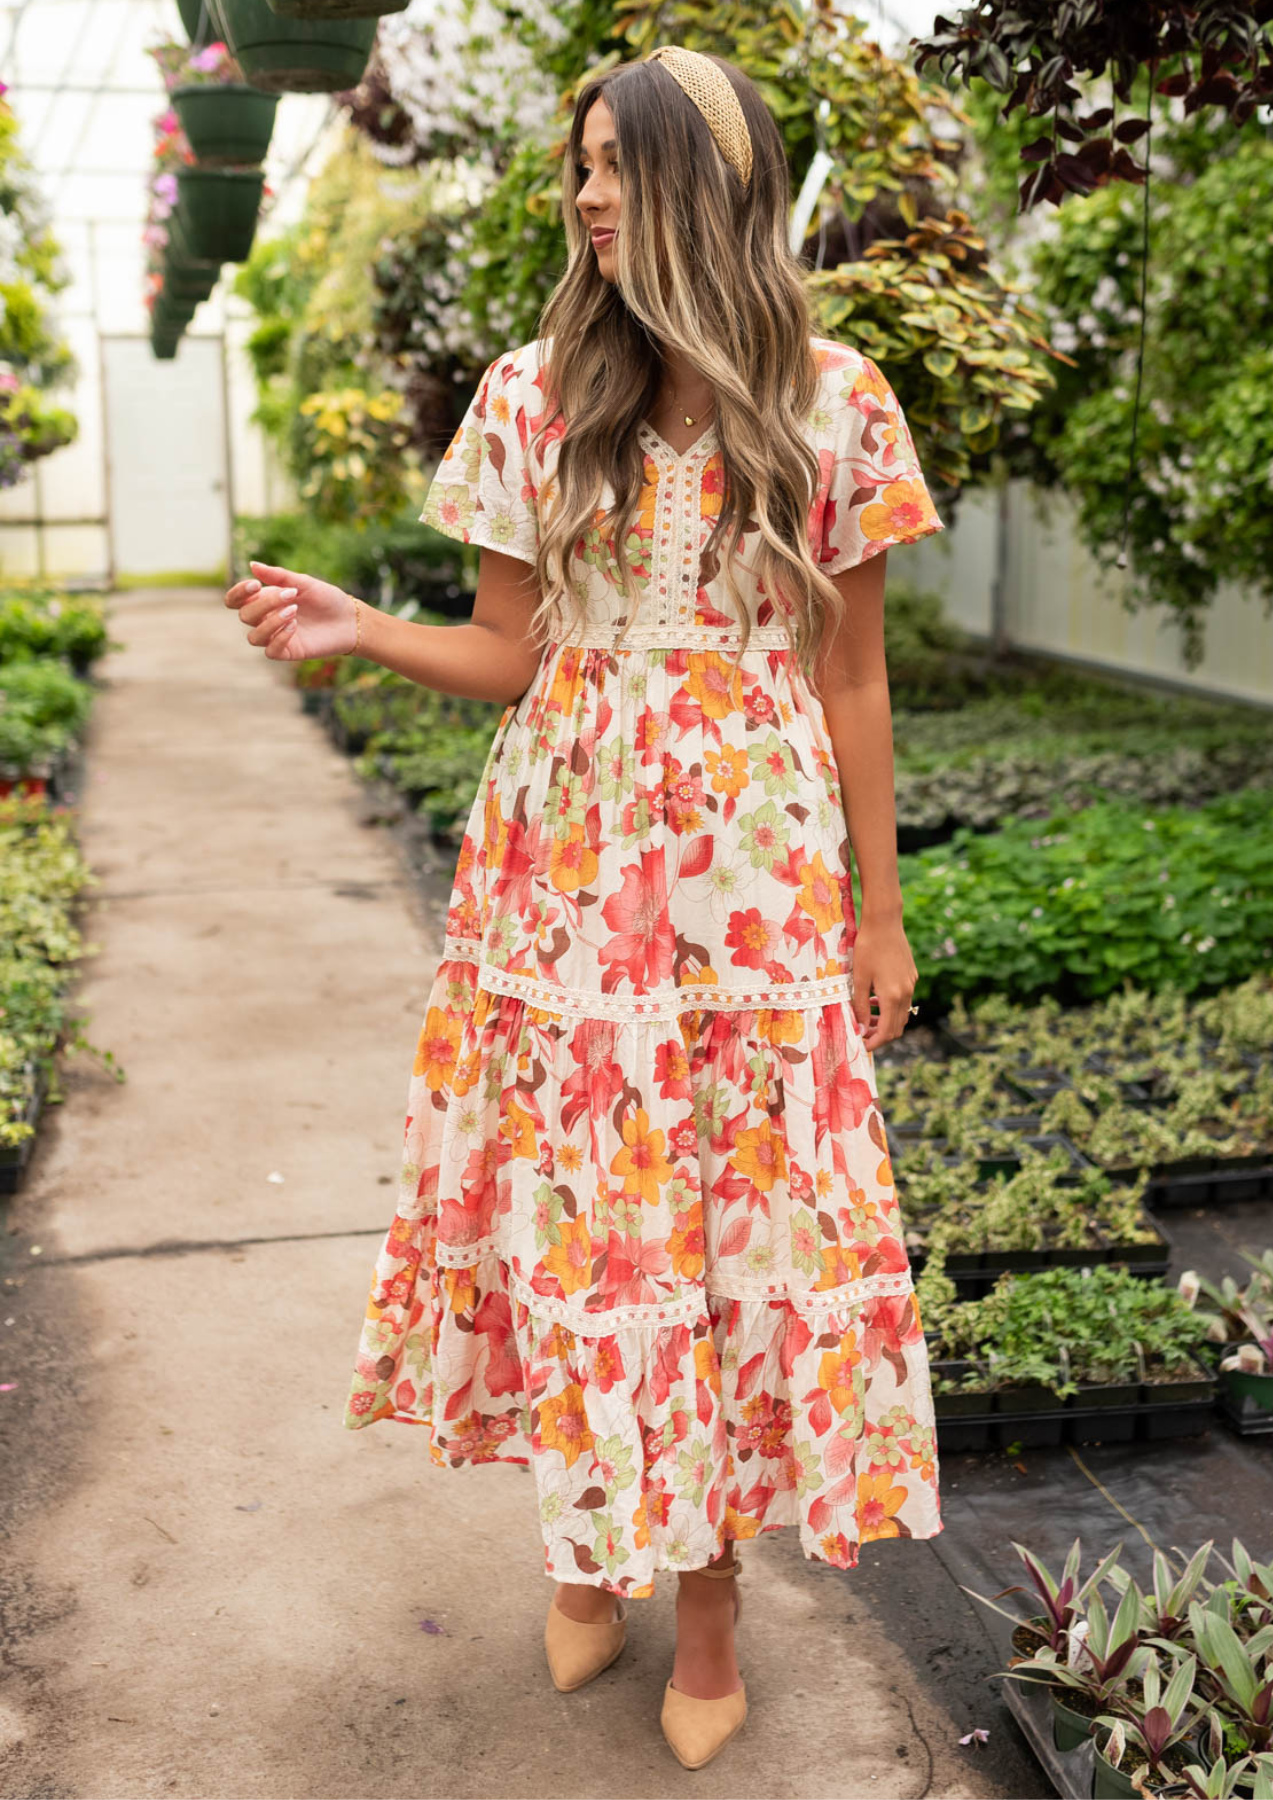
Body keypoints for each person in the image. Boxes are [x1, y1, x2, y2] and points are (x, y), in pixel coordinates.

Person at [225, 43, 945, 1771]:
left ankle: (708, 1602)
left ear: (713, 182)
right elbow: (509, 648)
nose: (588, 196)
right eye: (578, 169)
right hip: (565, 886)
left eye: (617, 164)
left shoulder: (833, 400)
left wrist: (878, 908)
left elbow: (853, 681)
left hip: (754, 887)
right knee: (585, 1221)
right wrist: (362, 630)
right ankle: (588, 1544)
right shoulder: (530, 393)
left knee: (723, 1232)